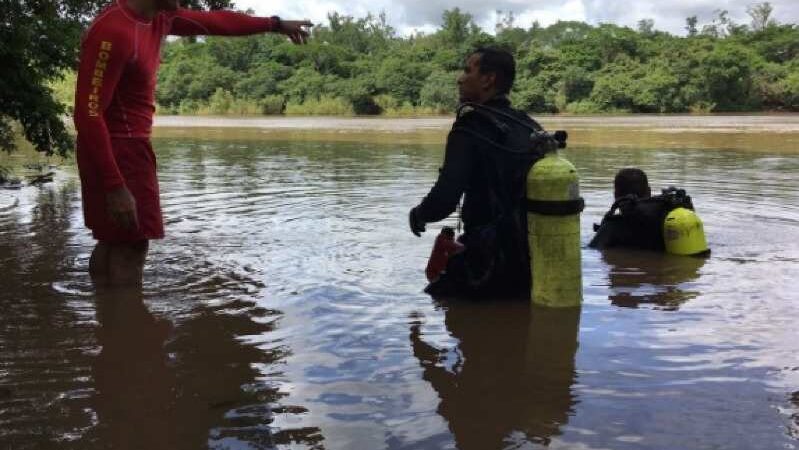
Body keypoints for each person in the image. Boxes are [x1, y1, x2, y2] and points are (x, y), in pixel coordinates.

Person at [74, 0, 312, 286]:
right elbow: (87, 114)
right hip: (118, 150)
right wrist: (115, 186)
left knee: (113, 240)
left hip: (121, 149)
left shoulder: (159, 17)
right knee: (132, 245)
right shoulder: (114, 29)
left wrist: (274, 24)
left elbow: (216, 22)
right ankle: (126, 313)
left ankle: (104, 310)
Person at [408, 48, 550, 299]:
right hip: (532, 261)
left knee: (426, 304)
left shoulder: (469, 128)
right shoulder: (530, 127)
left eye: (468, 71)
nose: (460, 79)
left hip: (487, 259)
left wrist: (419, 215)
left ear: (488, 79)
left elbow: (445, 198)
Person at [589, 168, 698, 252]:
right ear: (649, 191)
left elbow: (592, 251)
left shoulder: (612, 226)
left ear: (616, 195)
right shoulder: (669, 221)